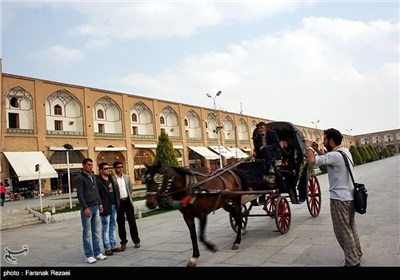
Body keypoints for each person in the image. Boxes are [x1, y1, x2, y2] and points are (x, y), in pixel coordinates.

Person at [306, 128, 362, 267]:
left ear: (331, 141)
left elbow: (313, 161)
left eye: (324, 140)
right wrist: (317, 149)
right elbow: (326, 159)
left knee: (342, 231)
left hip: (339, 200)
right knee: (351, 227)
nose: (323, 142)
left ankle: (352, 262)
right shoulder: (345, 152)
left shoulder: (334, 156)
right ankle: (357, 254)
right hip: (350, 197)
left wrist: (307, 146)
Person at [76, 158, 107, 264]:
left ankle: (97, 252)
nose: (91, 167)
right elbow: (79, 195)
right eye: (89, 165)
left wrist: (100, 203)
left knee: (96, 232)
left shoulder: (93, 176)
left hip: (95, 206)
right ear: (84, 165)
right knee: (87, 233)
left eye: (92, 165)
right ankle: (88, 255)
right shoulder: (80, 178)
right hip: (88, 208)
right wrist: (85, 208)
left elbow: (96, 191)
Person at [111, 161, 141, 251]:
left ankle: (136, 241)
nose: (120, 169)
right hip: (119, 203)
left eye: (121, 167)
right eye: (118, 167)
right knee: (121, 223)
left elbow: (130, 189)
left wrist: (128, 197)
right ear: (115, 169)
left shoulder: (127, 177)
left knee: (132, 222)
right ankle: (123, 242)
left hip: (127, 201)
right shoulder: (112, 178)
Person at [96, 162, 123, 256]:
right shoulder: (98, 180)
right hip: (105, 206)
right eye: (106, 168)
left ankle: (113, 245)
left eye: (108, 168)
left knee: (113, 226)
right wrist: (100, 204)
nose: (108, 170)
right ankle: (107, 248)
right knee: (105, 227)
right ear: (101, 170)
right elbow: (97, 194)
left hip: (114, 205)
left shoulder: (111, 178)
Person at [252, 122, 282, 206]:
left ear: (266, 128)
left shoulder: (272, 134)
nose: (260, 130)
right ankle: (259, 198)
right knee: (259, 176)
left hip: (274, 155)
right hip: (262, 158)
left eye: (261, 128)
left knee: (266, 152)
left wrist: (268, 147)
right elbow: (257, 149)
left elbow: (276, 144)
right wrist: (255, 153)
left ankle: (271, 170)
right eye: (259, 128)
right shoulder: (257, 137)